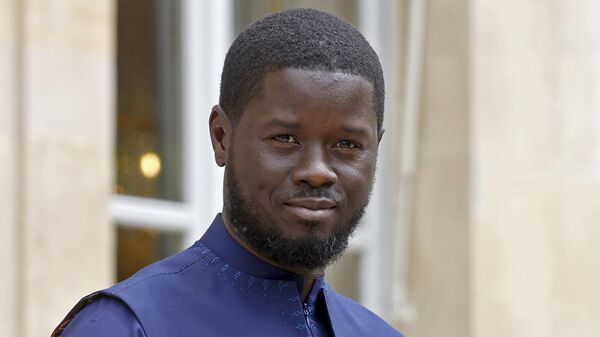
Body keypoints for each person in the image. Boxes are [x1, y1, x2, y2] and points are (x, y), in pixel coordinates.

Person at [53, 8, 403, 337]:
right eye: (285, 138)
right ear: (222, 137)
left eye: (347, 145)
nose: (316, 172)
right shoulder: (124, 326)